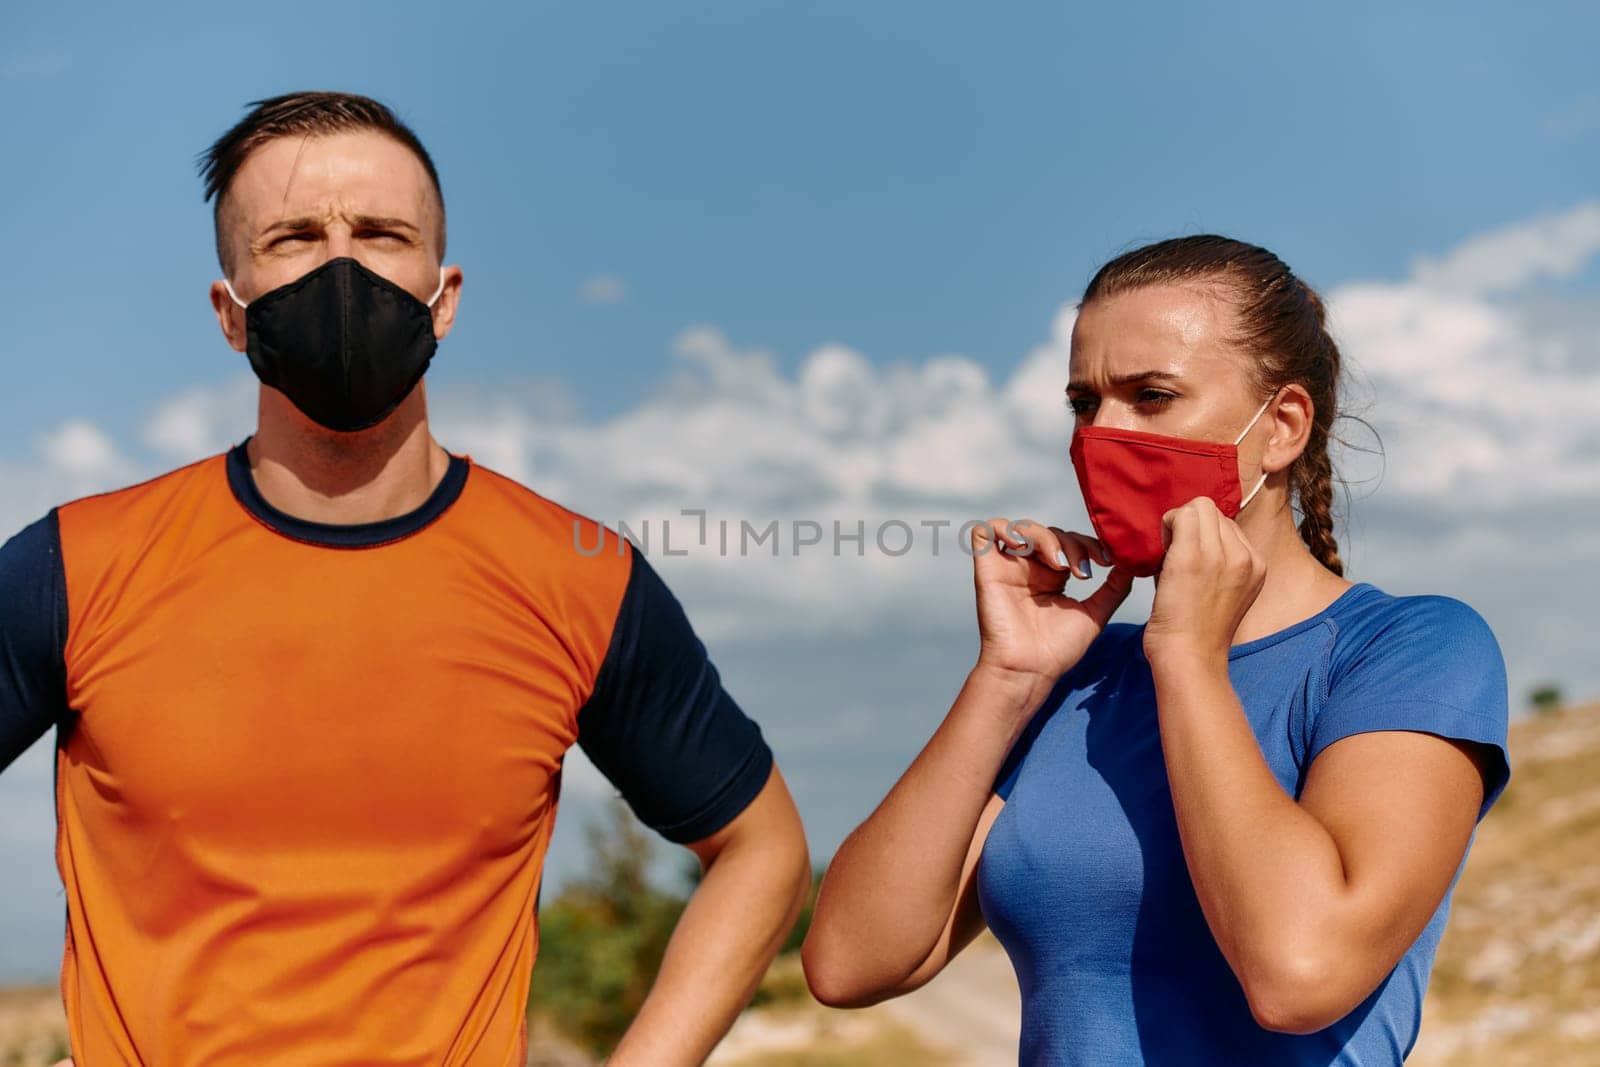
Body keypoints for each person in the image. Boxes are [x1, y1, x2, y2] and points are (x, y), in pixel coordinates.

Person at [0, 91, 810, 1066]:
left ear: (445, 293)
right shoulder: (78, 565)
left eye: (382, 233)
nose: (343, 265)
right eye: (294, 237)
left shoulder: (575, 577)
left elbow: (762, 848)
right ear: (229, 310)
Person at [802, 236, 1511, 1064]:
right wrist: (1009, 678)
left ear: (1280, 427)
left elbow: (1299, 973)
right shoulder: (1083, 679)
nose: (1104, 433)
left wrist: (1187, 659)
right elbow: (850, 961)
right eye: (1083, 402)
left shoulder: (1409, 649)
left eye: (1152, 395)